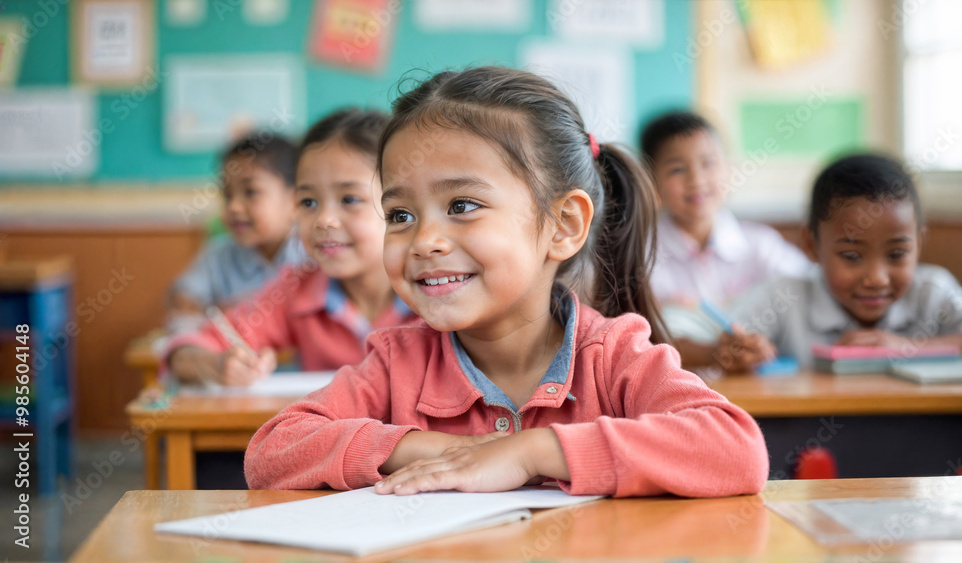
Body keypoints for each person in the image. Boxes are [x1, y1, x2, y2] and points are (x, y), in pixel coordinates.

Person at [245, 67, 768, 498]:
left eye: (462, 206)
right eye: (400, 214)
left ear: (563, 226)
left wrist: (533, 451)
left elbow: (734, 448)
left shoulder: (612, 356)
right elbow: (271, 451)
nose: (424, 240)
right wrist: (422, 449)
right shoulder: (397, 362)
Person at [165, 108, 415, 386]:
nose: (323, 220)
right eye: (308, 202)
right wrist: (215, 364)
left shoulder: (434, 289)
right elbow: (187, 349)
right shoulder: (296, 290)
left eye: (349, 199)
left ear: (399, 205)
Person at [730, 153, 962, 366]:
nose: (876, 279)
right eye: (851, 256)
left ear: (919, 244)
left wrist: (911, 349)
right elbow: (713, 339)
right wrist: (728, 352)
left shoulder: (930, 292)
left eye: (896, 255)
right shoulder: (783, 298)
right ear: (811, 244)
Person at [639, 111, 810, 372]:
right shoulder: (641, 255)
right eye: (677, 169)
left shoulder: (761, 245)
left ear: (729, 169)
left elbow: (810, 286)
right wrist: (713, 352)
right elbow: (641, 339)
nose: (696, 181)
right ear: (650, 180)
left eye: (708, 164)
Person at [167, 133, 306, 324]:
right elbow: (182, 300)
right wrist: (210, 312)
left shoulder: (313, 256)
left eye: (251, 192)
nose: (233, 207)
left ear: (295, 202)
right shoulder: (217, 255)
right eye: (227, 195)